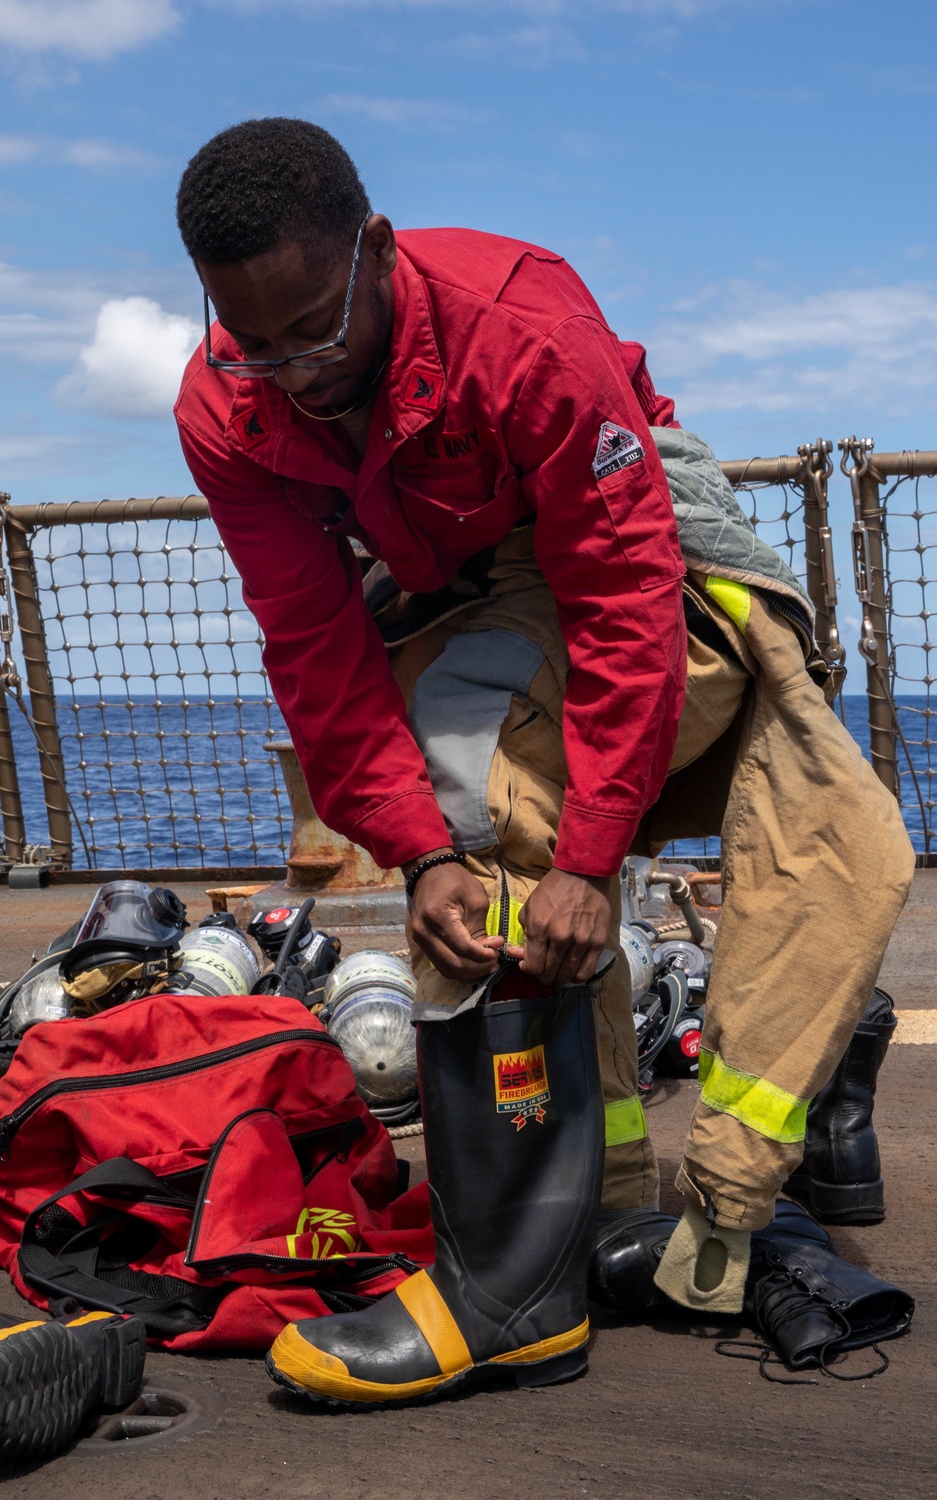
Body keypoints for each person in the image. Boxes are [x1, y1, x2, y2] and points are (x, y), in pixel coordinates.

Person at [173, 118, 914, 1407]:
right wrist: (411, 855)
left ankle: (511, 1289)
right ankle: (606, 1205)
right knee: (447, 828)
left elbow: (624, 591)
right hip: (462, 586)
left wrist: (582, 857)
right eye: (252, 340)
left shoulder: (522, 332)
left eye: (314, 330)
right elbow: (313, 643)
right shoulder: (229, 402)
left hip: (651, 568)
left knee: (497, 796)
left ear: (381, 254)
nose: (289, 374)